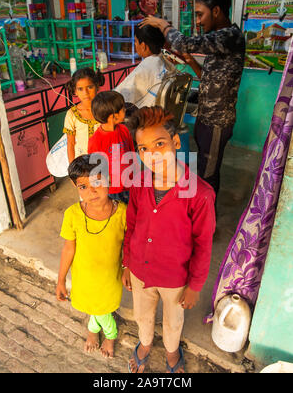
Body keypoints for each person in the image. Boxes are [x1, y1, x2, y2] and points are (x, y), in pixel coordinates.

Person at [122, 106, 216, 373]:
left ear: (176, 143)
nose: (151, 154)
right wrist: (127, 263)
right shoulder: (139, 183)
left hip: (175, 278)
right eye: (143, 148)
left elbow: (203, 244)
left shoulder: (200, 194)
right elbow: (131, 225)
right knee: (142, 315)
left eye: (159, 144)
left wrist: (195, 285)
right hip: (140, 269)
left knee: (174, 320)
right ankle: (145, 344)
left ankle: (172, 351)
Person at [141, 0, 246, 197]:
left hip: (216, 122)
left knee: (208, 176)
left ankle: (207, 223)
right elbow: (206, 77)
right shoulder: (220, 40)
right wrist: (189, 61)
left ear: (216, 11)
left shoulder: (229, 37)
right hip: (206, 117)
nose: (198, 21)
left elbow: (183, 42)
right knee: (204, 169)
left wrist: (162, 24)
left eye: (200, 14)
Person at [56, 155, 127, 358]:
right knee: (95, 308)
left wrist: (128, 268)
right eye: (83, 187)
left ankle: (108, 336)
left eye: (97, 181)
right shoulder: (72, 215)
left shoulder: (123, 213)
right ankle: (93, 332)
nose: (92, 191)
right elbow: (68, 248)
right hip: (84, 279)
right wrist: (61, 280)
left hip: (109, 280)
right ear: (75, 186)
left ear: (109, 179)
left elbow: (130, 246)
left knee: (103, 311)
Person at [87, 90, 137, 204]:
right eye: (123, 109)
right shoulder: (95, 141)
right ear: (113, 116)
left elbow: (132, 153)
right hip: (112, 190)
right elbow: (94, 169)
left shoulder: (124, 129)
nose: (125, 110)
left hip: (130, 183)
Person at [115, 24, 176, 110]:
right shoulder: (164, 62)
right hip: (162, 112)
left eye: (135, 41)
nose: (135, 45)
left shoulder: (145, 68)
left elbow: (119, 98)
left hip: (144, 116)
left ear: (143, 46)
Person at [63, 67, 105, 163]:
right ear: (75, 91)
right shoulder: (72, 114)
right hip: (82, 164)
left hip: (104, 160)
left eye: (90, 87)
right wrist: (72, 169)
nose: (85, 93)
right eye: (80, 89)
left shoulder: (105, 109)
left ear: (97, 86)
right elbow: (71, 143)